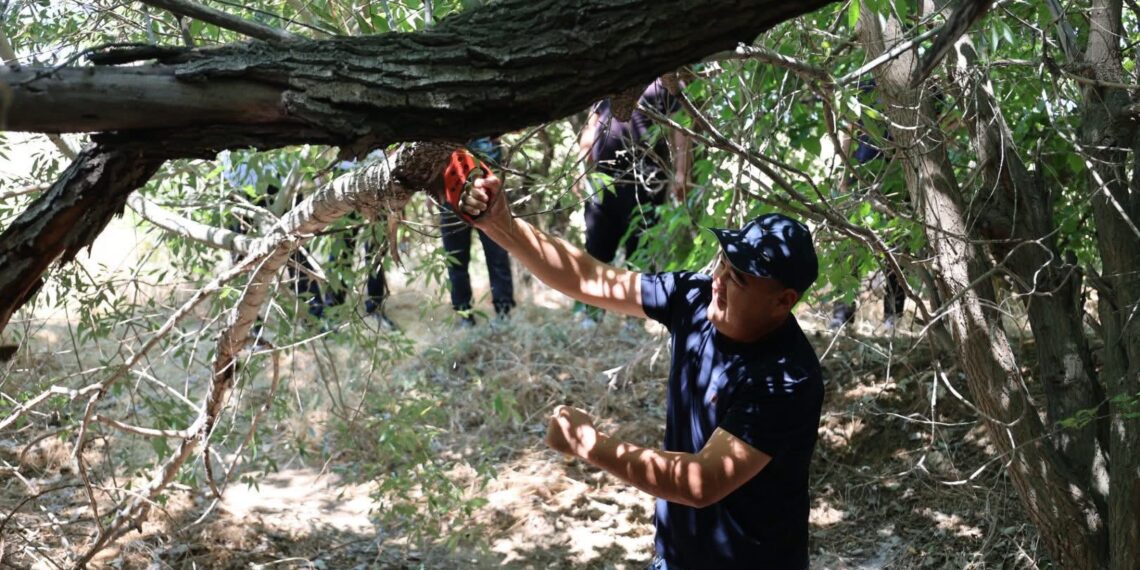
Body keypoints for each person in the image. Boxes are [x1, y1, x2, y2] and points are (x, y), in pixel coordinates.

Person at [459, 170, 825, 569]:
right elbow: (590, 278)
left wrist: (588, 443)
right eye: (723, 262)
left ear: (783, 301)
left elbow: (701, 481)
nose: (718, 281)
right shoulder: (694, 298)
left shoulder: (786, 378)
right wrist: (503, 225)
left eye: (737, 278)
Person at [573, 78, 692, 326]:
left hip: (646, 181)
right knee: (596, 247)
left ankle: (635, 319)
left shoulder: (665, 82)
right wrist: (579, 166)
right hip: (603, 180)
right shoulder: (611, 78)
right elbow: (592, 124)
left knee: (640, 250)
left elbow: (681, 128)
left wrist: (682, 172)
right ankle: (593, 314)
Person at [439, 137, 515, 326]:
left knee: (497, 255)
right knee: (456, 259)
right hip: (450, 199)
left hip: (488, 198)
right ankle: (464, 314)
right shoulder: (442, 134)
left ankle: (503, 312)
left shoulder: (486, 130)